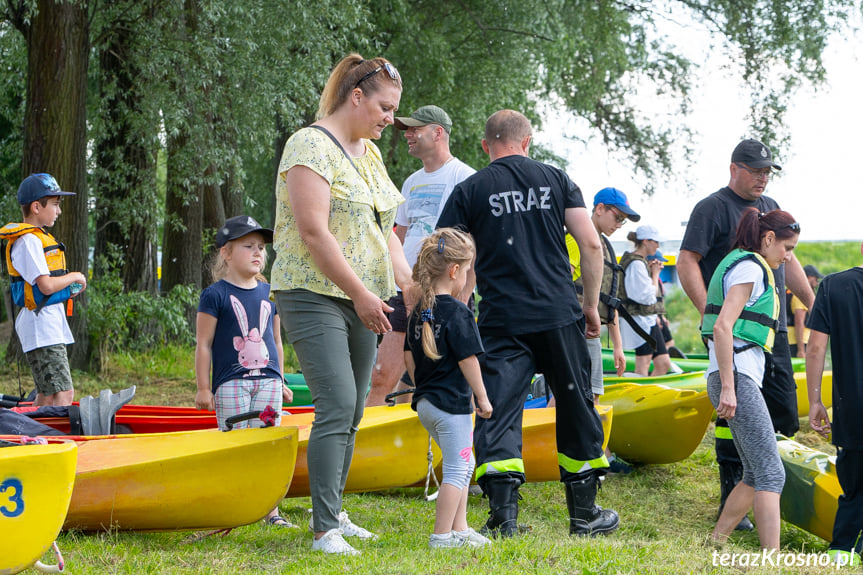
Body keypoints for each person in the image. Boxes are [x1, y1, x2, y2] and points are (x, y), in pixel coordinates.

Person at [436, 109, 619, 538]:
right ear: (527, 141)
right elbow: (590, 244)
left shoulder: (471, 189)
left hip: (501, 320)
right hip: (559, 314)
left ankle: (504, 517)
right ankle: (585, 516)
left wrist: (456, 309)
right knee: (576, 407)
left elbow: (445, 253)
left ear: (486, 146)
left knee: (497, 412)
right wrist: (590, 305)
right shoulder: (557, 178)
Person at [269, 53, 412, 555]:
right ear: (357, 97)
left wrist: (410, 288)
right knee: (335, 403)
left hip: (365, 297)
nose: (391, 119)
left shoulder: (369, 155)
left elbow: (384, 230)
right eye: (386, 108)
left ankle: (334, 510)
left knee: (354, 407)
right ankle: (324, 529)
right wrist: (361, 293)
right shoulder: (309, 144)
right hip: (313, 292)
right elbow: (313, 231)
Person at [678, 138, 814, 531]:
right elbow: (688, 262)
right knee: (731, 420)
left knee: (784, 412)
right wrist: (713, 318)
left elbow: (791, 262)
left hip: (770, 335)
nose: (762, 178)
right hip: (732, 338)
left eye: (767, 171)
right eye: (755, 170)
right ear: (733, 168)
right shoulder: (712, 208)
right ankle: (733, 506)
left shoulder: (771, 209)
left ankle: (773, 498)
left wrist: (814, 307)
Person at [366, 105, 476, 407]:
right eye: (407, 130)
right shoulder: (411, 182)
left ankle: (438, 451)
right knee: (382, 376)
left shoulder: (465, 177)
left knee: (436, 380)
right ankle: (364, 451)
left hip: (445, 293)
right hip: (405, 291)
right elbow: (397, 239)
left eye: (415, 129)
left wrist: (463, 298)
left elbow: (473, 245)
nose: (408, 135)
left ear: (438, 133)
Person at [702, 208, 796, 550]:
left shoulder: (744, 263)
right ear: (768, 239)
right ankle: (772, 558)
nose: (788, 257)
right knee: (773, 472)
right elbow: (722, 326)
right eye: (787, 248)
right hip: (736, 377)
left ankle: (715, 542)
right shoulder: (750, 268)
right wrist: (729, 386)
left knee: (756, 473)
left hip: (737, 376)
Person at [194, 215, 293, 528]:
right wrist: (203, 388)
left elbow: (275, 339)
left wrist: (282, 378)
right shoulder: (215, 295)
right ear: (226, 253)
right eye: (248, 246)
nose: (257, 253)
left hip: (268, 382)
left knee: (268, 443)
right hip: (231, 384)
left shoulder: (270, 293)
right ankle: (235, 508)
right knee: (236, 444)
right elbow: (204, 344)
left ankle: (270, 512)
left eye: (261, 247)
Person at [404, 228, 493, 549]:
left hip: (427, 404)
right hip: (451, 407)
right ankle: (441, 536)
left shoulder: (420, 313)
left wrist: (422, 385)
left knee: (464, 462)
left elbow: (407, 355)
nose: (467, 276)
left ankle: (461, 528)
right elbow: (469, 359)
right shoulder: (459, 312)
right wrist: (482, 397)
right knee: (458, 467)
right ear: (455, 271)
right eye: (467, 270)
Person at [0, 174, 87, 407]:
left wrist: (68, 289)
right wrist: (74, 277)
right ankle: (52, 440)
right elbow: (46, 285)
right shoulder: (29, 241)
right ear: (36, 207)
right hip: (41, 326)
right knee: (63, 394)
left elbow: (47, 288)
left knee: (48, 395)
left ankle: (37, 437)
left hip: (46, 323)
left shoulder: (37, 239)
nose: (58, 211)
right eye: (55, 204)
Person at [806, 246, 863, 567]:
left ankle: (842, 550)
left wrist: (815, 400)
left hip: (852, 407)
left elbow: (815, 348)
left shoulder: (834, 285)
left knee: (854, 484)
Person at [618, 225, 672, 376]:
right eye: (656, 242)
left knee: (663, 363)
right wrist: (655, 275)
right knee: (643, 364)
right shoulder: (635, 264)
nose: (658, 245)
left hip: (648, 319)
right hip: (638, 320)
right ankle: (639, 396)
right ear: (646, 241)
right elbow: (646, 297)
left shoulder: (640, 262)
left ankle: (653, 394)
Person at [787, 264, 823, 358]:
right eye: (816, 278)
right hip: (798, 342)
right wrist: (801, 350)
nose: (817, 282)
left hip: (789, 340)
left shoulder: (790, 292)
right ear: (809, 277)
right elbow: (799, 322)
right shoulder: (801, 296)